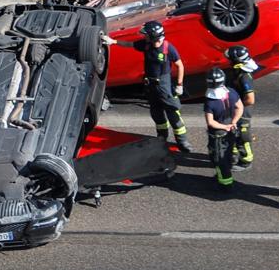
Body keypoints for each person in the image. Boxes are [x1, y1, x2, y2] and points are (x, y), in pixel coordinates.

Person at [103, 21, 193, 153]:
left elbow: (180, 65)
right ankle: (162, 139)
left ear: (153, 36)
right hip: (150, 85)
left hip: (164, 85)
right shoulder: (146, 45)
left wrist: (180, 85)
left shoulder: (168, 48)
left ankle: (183, 142)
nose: (144, 37)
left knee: (173, 113)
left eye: (147, 35)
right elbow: (130, 44)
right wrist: (113, 41)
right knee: (157, 114)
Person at [203, 68, 244, 191]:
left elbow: (211, 122)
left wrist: (223, 126)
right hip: (230, 131)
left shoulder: (210, 102)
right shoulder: (231, 92)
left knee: (218, 159)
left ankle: (225, 184)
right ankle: (225, 177)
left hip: (218, 135)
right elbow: (240, 107)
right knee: (228, 154)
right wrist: (233, 122)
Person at [224, 45, 258, 169]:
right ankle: (232, 156)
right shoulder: (238, 72)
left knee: (242, 136)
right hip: (235, 110)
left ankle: (245, 161)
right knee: (233, 132)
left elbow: (250, 99)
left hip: (242, 113)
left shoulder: (244, 77)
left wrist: (238, 107)